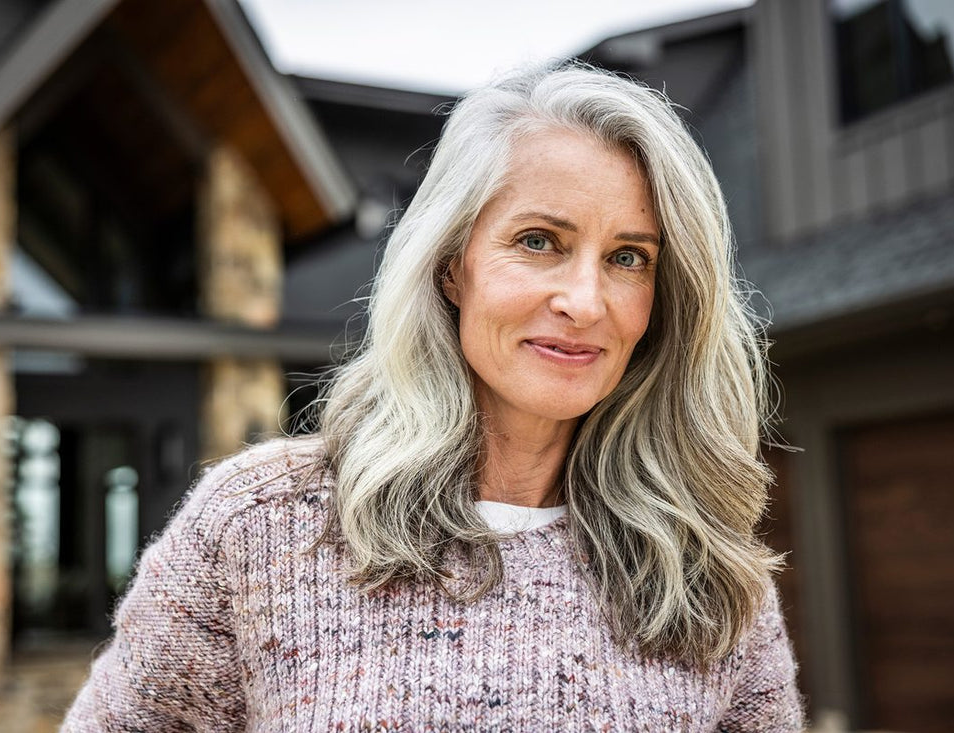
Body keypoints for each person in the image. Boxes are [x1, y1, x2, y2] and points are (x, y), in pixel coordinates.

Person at [62, 63, 804, 731]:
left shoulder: (704, 570)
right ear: (452, 265)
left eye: (628, 257)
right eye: (539, 241)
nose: (585, 301)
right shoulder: (259, 524)